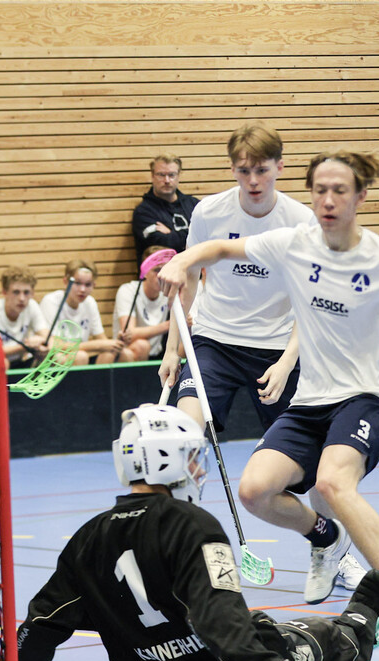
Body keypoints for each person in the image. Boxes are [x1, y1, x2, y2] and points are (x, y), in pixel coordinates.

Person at [158, 151, 379, 645]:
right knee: (255, 491)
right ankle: (324, 536)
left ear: (360, 196)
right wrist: (181, 260)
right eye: (320, 190)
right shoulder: (293, 243)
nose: (327, 200)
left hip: (363, 396)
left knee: (333, 483)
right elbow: (218, 248)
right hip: (309, 401)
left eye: (339, 190)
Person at [0, 404, 379, 661]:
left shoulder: (88, 538)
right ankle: (362, 618)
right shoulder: (192, 524)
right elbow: (216, 613)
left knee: (258, 625)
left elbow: (42, 623)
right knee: (313, 637)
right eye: (192, 456)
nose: (198, 469)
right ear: (167, 458)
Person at [158, 122, 314, 437]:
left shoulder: (301, 221)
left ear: (280, 167)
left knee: (300, 452)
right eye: (244, 171)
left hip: (276, 346)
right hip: (214, 342)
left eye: (262, 170)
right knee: (183, 433)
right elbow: (190, 279)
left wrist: (287, 362)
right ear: (232, 169)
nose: (253, 181)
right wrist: (172, 349)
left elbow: (308, 301)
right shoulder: (209, 212)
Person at [38, 259, 132, 365]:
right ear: (66, 282)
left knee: (122, 353)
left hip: (80, 353)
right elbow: (53, 344)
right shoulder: (51, 301)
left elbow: (101, 339)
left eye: (88, 285)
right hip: (53, 356)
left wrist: (117, 342)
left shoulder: (90, 302)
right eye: (77, 283)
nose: (82, 289)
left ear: (94, 286)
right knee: (80, 356)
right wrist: (95, 345)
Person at [0, 265, 50, 371]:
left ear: (32, 293)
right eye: (16, 292)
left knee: (51, 356)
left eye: (26, 292)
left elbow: (48, 338)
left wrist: (41, 343)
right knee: (1, 361)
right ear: (4, 292)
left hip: (17, 362)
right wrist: (25, 347)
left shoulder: (31, 306)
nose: (22, 298)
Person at [131, 154, 199, 265]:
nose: (167, 180)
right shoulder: (143, 212)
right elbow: (163, 245)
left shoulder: (194, 205)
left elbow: (209, 237)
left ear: (178, 176)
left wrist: (172, 233)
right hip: (161, 274)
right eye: (161, 175)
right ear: (152, 176)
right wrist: (192, 233)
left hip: (195, 272)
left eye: (171, 175)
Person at [112, 245, 171, 362]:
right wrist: (169, 325)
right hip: (126, 353)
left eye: (166, 270)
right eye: (157, 270)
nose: (162, 275)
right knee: (142, 346)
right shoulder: (128, 290)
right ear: (145, 271)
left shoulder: (170, 291)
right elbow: (129, 334)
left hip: (157, 354)